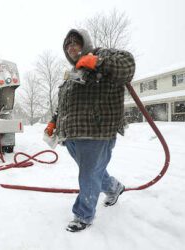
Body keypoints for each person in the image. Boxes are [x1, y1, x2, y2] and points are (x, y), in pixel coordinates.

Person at [45, 29, 135, 232]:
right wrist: (54, 123)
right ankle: (115, 189)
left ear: (86, 43)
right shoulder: (72, 74)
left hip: (97, 131)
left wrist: (99, 63)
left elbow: (128, 66)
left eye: (75, 43)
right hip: (72, 135)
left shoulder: (104, 55)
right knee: (93, 172)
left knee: (88, 174)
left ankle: (83, 215)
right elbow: (64, 105)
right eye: (68, 46)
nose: (71, 48)